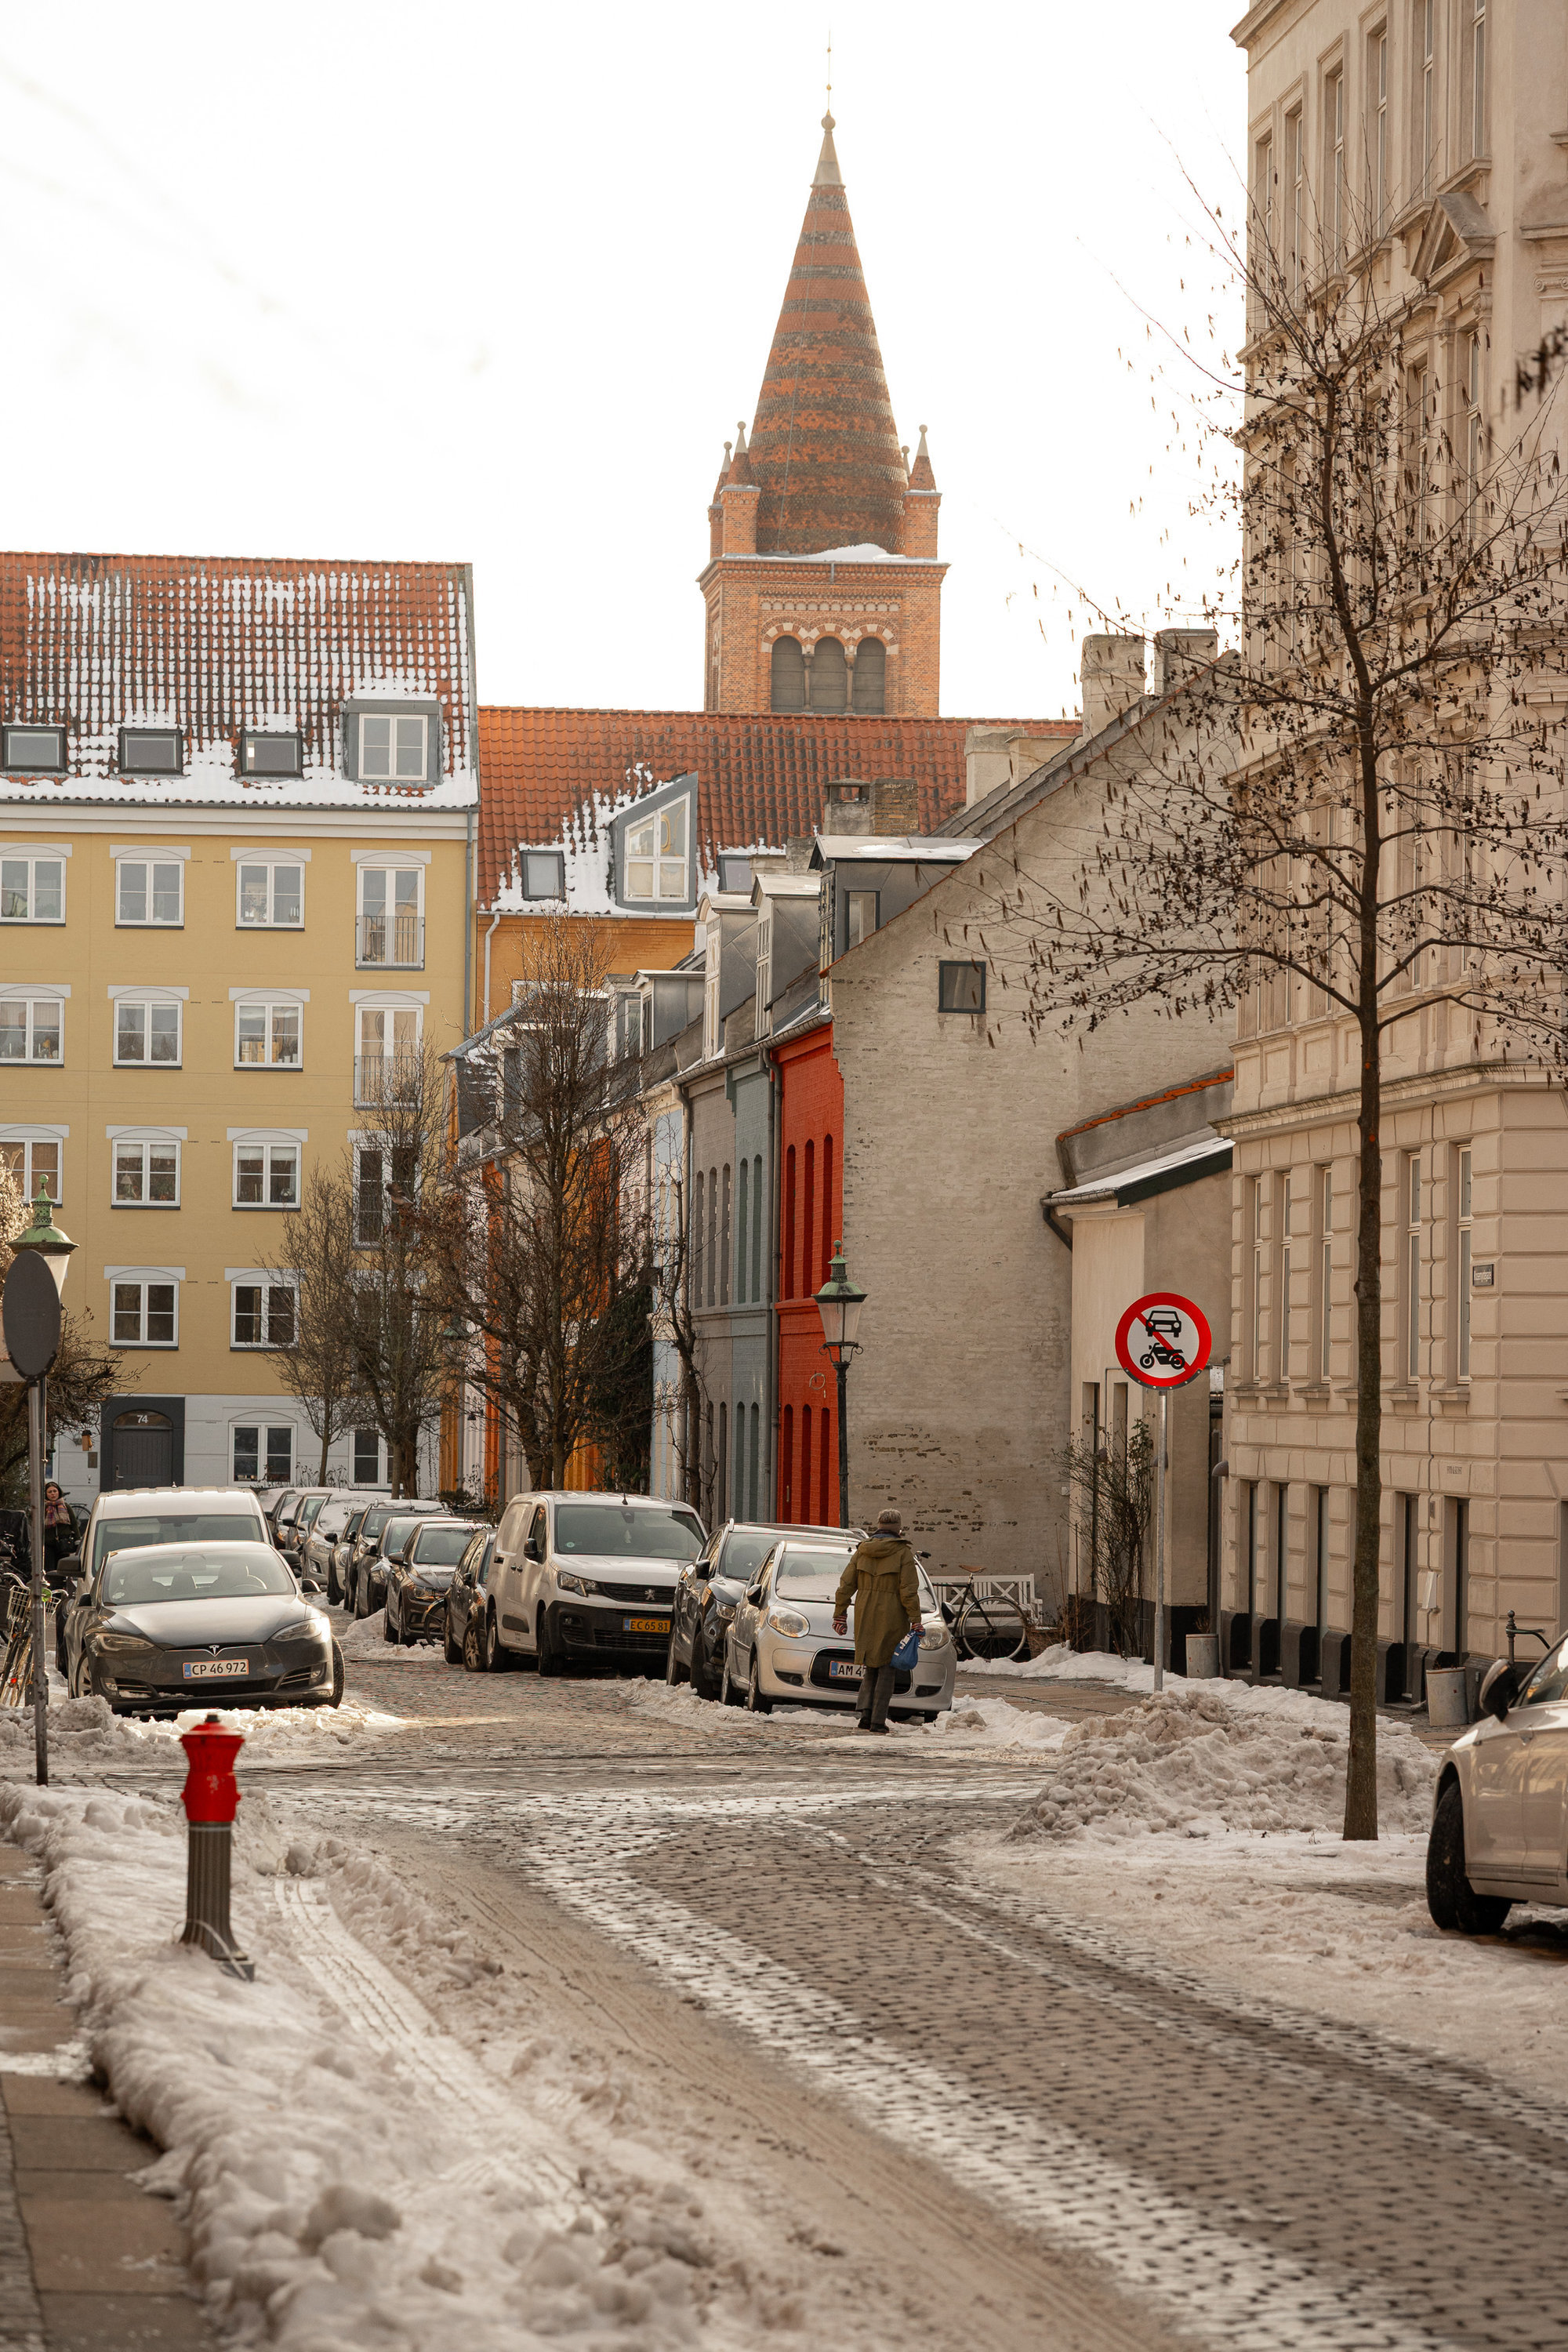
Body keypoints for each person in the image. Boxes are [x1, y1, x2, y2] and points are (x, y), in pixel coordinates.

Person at [833, 1508, 920, 1735]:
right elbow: (909, 1591)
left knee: (870, 1665)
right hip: (892, 1616)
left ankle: (865, 1715)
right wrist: (916, 1620)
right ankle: (878, 1720)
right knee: (887, 1667)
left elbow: (846, 1585)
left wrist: (839, 1613)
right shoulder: (903, 1553)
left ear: (879, 1526)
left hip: (864, 1613)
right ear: (898, 1528)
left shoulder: (862, 1551)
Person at [42, 1483, 76, 1588]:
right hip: (49, 1544)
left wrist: (77, 1541)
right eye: (50, 1492)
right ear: (46, 1494)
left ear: (59, 1492)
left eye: (55, 1491)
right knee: (50, 1571)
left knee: (62, 1570)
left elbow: (74, 1524)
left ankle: (61, 1593)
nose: (53, 1494)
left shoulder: (66, 1507)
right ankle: (50, 1593)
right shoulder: (44, 1508)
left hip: (64, 1544)